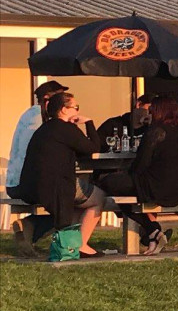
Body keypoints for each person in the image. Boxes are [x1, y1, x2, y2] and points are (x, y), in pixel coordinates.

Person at [97, 95, 178, 254]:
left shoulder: (156, 131)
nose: (149, 115)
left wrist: (126, 173)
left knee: (109, 184)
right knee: (123, 189)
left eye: (152, 111)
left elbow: (141, 164)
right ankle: (152, 233)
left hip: (158, 187)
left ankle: (152, 231)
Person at [15, 90, 107, 257]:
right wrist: (89, 123)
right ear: (64, 110)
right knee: (99, 197)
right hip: (56, 185)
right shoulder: (66, 129)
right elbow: (93, 148)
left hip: (30, 185)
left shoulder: (43, 129)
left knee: (77, 202)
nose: (78, 111)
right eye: (75, 107)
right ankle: (81, 245)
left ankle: (63, 239)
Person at [6, 80, 68, 249]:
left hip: (19, 182)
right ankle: (30, 226)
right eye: (60, 98)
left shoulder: (33, 115)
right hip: (25, 184)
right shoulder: (36, 119)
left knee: (69, 199)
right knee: (72, 199)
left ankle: (30, 231)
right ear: (47, 99)